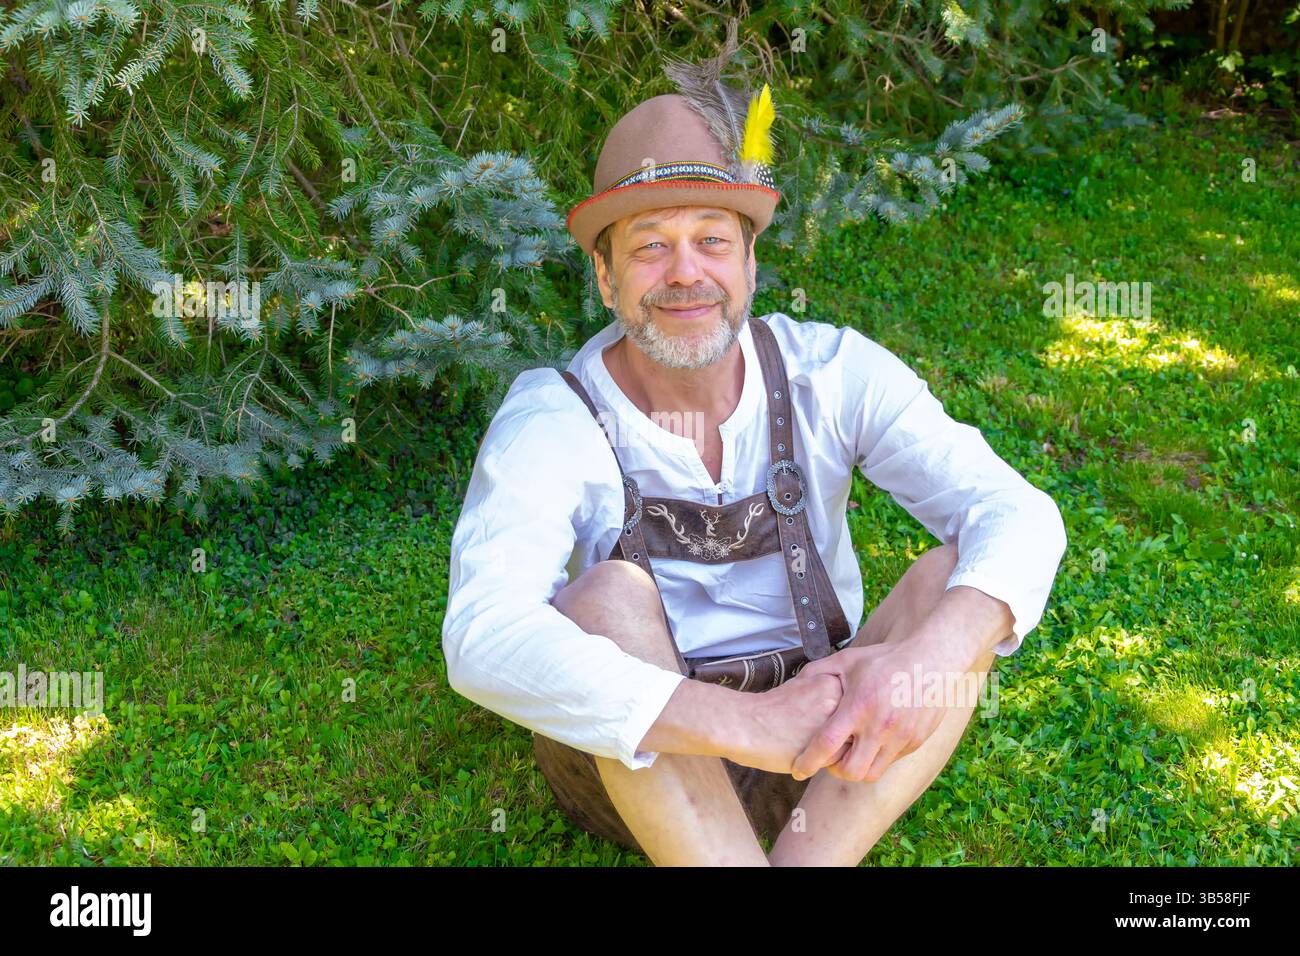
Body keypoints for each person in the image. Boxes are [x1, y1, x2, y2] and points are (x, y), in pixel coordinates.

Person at [441, 71, 1067, 867]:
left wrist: (935, 654)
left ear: (750, 263)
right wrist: (742, 723)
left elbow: (1018, 514)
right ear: (605, 277)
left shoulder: (832, 373)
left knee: (961, 582)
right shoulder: (553, 417)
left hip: (829, 741)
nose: (685, 272)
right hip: (642, 767)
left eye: (711, 239)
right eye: (649, 246)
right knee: (606, 596)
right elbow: (482, 634)